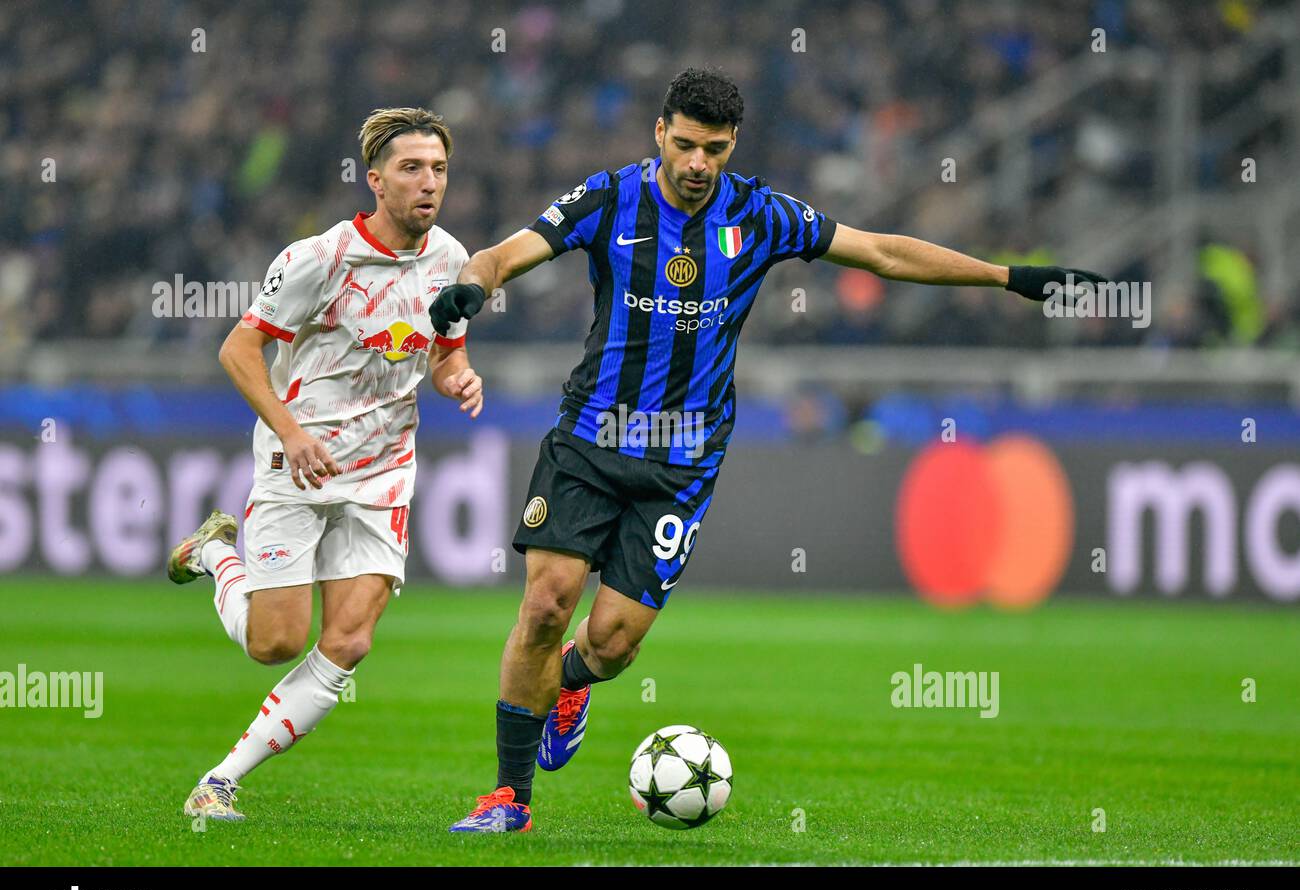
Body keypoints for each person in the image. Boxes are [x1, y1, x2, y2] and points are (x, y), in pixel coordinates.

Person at [430, 68, 1103, 832]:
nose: (696, 163)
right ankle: (510, 799)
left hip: (683, 462)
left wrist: (1011, 278)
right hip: (590, 438)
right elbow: (502, 255)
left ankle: (575, 683)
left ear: (732, 145)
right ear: (659, 132)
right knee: (547, 604)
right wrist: (470, 292)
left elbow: (882, 252)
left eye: (713, 149)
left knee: (612, 642)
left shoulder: (763, 215)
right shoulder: (609, 198)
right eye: (683, 144)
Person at [166, 107, 483, 821]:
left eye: (438, 169)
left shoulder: (452, 260)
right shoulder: (321, 259)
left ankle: (219, 781)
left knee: (350, 640)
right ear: (374, 180)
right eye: (411, 168)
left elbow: (444, 349)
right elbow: (238, 351)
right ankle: (216, 555)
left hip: (382, 473)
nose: (428, 182)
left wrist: (459, 376)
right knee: (275, 642)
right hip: (298, 463)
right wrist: (292, 433)